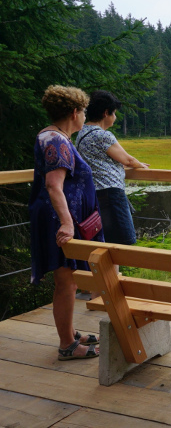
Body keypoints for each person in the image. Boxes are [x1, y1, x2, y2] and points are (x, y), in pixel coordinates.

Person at [29, 85, 102, 360]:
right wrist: (67, 223)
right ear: (74, 112)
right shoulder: (57, 142)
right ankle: (66, 346)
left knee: (67, 280)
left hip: (55, 217)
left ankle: (70, 332)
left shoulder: (53, 135)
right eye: (84, 111)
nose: (85, 116)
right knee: (67, 281)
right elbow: (53, 185)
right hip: (57, 220)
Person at [75, 90, 148, 247]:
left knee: (105, 243)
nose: (115, 117)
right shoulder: (103, 135)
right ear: (106, 113)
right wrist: (140, 165)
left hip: (93, 195)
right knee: (124, 243)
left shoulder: (82, 133)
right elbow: (127, 159)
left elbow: (101, 160)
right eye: (114, 113)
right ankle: (113, 272)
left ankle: (108, 272)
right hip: (111, 195)